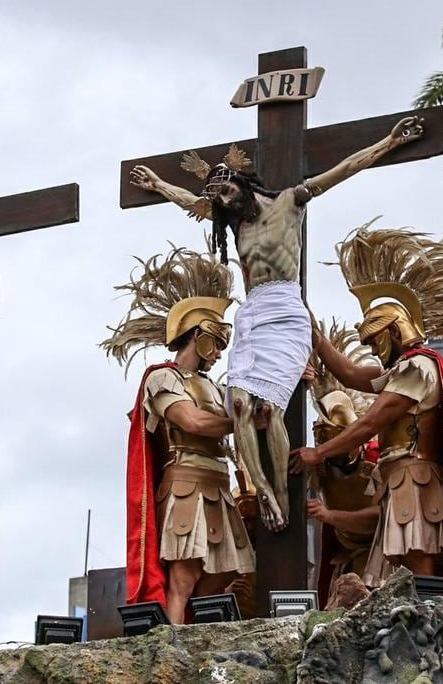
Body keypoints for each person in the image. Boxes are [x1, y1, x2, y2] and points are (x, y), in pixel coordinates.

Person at [129, 116, 425, 531]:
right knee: (239, 405)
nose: (226, 201)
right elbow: (190, 203)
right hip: (252, 310)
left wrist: (389, 143)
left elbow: (343, 170)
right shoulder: (235, 224)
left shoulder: (290, 201)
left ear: (243, 183)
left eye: (229, 190)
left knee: (269, 407)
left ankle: (283, 498)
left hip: (286, 305)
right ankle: (264, 493)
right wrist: (159, 185)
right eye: (219, 198)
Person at [291, 224, 443, 601]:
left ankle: (430, 632)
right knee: (394, 572)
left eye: (375, 341)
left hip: (415, 477)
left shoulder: (419, 369)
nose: (371, 350)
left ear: (394, 332)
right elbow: (350, 374)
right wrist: (315, 335)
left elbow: (372, 421)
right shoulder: (400, 371)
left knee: (418, 564)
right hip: (396, 479)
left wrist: (319, 453)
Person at [104, 247, 255, 624]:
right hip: (185, 484)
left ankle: (202, 648)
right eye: (217, 341)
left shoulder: (216, 388)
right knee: (183, 579)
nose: (220, 351)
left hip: (218, 485)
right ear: (199, 336)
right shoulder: (162, 377)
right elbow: (194, 423)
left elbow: (231, 433)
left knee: (218, 580)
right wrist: (243, 421)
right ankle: (173, 651)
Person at [304, 321, 381, 598]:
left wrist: (329, 515)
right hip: (344, 559)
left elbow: (380, 517)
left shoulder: (375, 461)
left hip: (379, 561)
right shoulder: (321, 467)